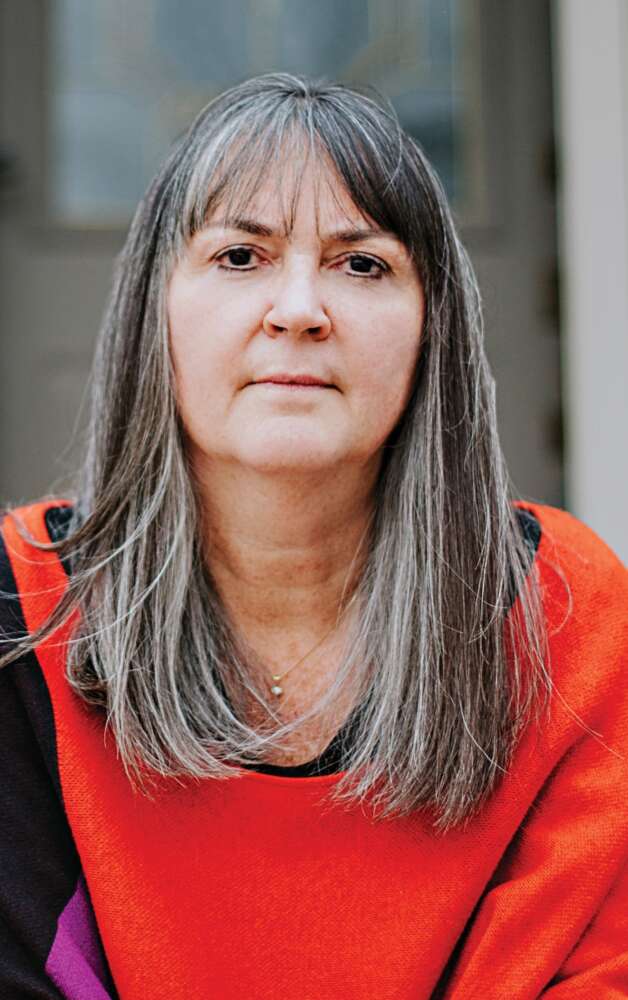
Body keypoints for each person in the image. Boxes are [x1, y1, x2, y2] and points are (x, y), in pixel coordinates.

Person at [0, 72, 626, 1000]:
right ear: (153, 312)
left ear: (431, 332)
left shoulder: (566, 610)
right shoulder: (19, 611)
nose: (299, 309)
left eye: (362, 263)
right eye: (241, 256)